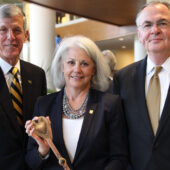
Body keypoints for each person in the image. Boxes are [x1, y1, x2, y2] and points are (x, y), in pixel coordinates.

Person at [25, 35, 128, 170]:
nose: (77, 69)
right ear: (62, 66)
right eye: (71, 62)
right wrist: (43, 149)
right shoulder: (44, 104)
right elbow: (31, 162)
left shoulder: (110, 104)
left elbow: (119, 158)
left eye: (84, 64)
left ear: (94, 69)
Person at [112, 1, 170, 170]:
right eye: (147, 25)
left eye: (162, 23)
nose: (155, 30)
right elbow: (118, 136)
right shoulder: (122, 78)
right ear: (139, 34)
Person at [0, 4, 47, 170]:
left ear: (26, 35)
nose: (10, 37)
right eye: (3, 30)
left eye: (16, 30)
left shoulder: (37, 75)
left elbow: (41, 125)